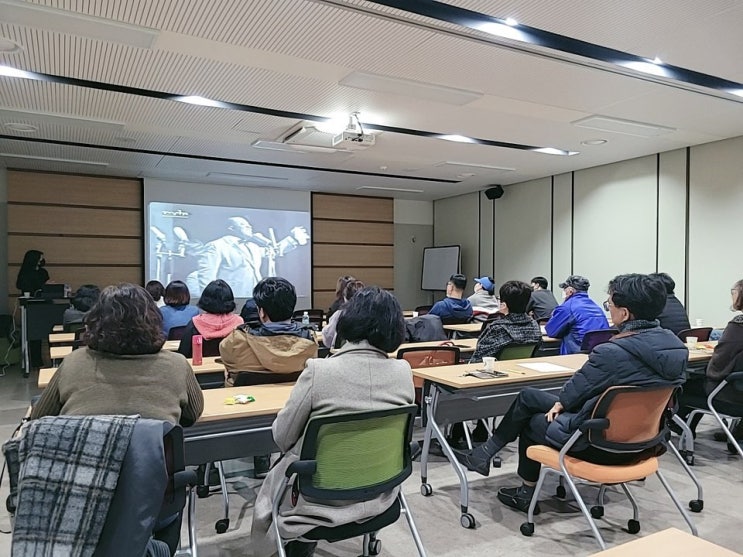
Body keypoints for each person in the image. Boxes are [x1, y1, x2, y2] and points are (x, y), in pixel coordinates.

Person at [454, 274, 687, 513]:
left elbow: (579, 388)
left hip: (596, 441)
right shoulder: (678, 349)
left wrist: (564, 403)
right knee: (528, 396)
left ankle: (525, 492)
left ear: (625, 314)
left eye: (610, 304)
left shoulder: (612, 352)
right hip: (645, 439)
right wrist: (565, 401)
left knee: (534, 421)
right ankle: (483, 454)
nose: (608, 309)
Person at [250, 286, 415, 557]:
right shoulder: (403, 371)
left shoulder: (320, 371)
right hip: (382, 494)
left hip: (318, 500)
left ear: (348, 320)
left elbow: (282, 437)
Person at [31, 283, 204, 426]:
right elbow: (192, 414)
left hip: (86, 464)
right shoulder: (177, 365)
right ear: (154, 319)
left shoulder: (73, 362)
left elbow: (39, 417)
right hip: (153, 465)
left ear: (96, 320)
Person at [220, 277, 317, 386]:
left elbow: (228, 363)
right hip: (295, 399)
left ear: (261, 312)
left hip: (250, 400)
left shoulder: (237, 341)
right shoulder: (309, 340)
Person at [678, 279, 743, 440]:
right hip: (738, 391)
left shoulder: (737, 326)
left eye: (733, 293)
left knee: (681, 386)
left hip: (730, 395)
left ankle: (683, 428)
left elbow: (718, 365)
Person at [188, 216, 310, 297]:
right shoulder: (217, 246)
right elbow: (206, 276)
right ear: (231, 228)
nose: (249, 227)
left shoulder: (252, 246)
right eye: (243, 225)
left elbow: (273, 251)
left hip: (254, 297)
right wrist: (209, 303)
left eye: (249, 225)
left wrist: (292, 239)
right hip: (232, 298)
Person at [470, 280, 542, 363]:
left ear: (503, 305)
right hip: (523, 370)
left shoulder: (498, 328)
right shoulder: (534, 325)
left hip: (497, 373)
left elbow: (477, 360)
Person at [177, 279, 243, 357]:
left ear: (205, 300)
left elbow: (183, 353)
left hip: (199, 367)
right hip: (232, 367)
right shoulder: (239, 323)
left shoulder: (195, 323)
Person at [545, 275, 609, 354]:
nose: (563, 292)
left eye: (564, 289)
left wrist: (556, 313)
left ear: (570, 291)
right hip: (598, 353)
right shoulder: (596, 307)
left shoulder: (567, 307)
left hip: (576, 354)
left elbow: (551, 331)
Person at [16, 249, 50, 368]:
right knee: (34, 335)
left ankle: (52, 360)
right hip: (31, 307)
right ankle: (35, 362)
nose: (42, 260)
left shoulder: (43, 272)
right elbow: (20, 285)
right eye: (40, 258)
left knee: (48, 332)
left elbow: (46, 286)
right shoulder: (25, 273)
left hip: (44, 305)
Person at [321, 279, 365, 348]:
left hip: (342, 354)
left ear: (345, 297)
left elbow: (328, 339)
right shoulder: (372, 315)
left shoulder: (339, 315)